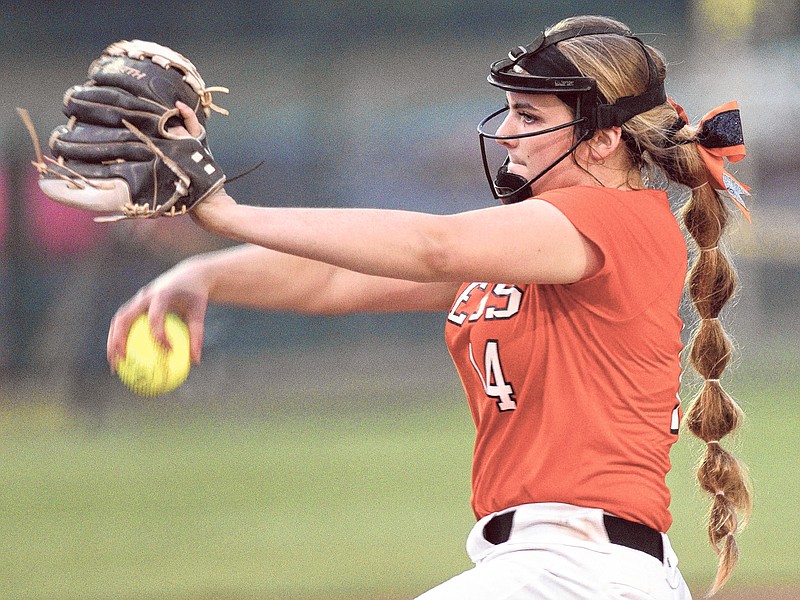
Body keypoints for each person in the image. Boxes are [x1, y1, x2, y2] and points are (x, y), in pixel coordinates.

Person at [106, 15, 753, 600]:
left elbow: (432, 246)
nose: (505, 133)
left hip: (580, 573)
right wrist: (206, 274)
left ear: (602, 139)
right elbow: (336, 279)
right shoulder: (537, 244)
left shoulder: (617, 221)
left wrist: (223, 212)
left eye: (530, 116)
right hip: (555, 573)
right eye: (509, 113)